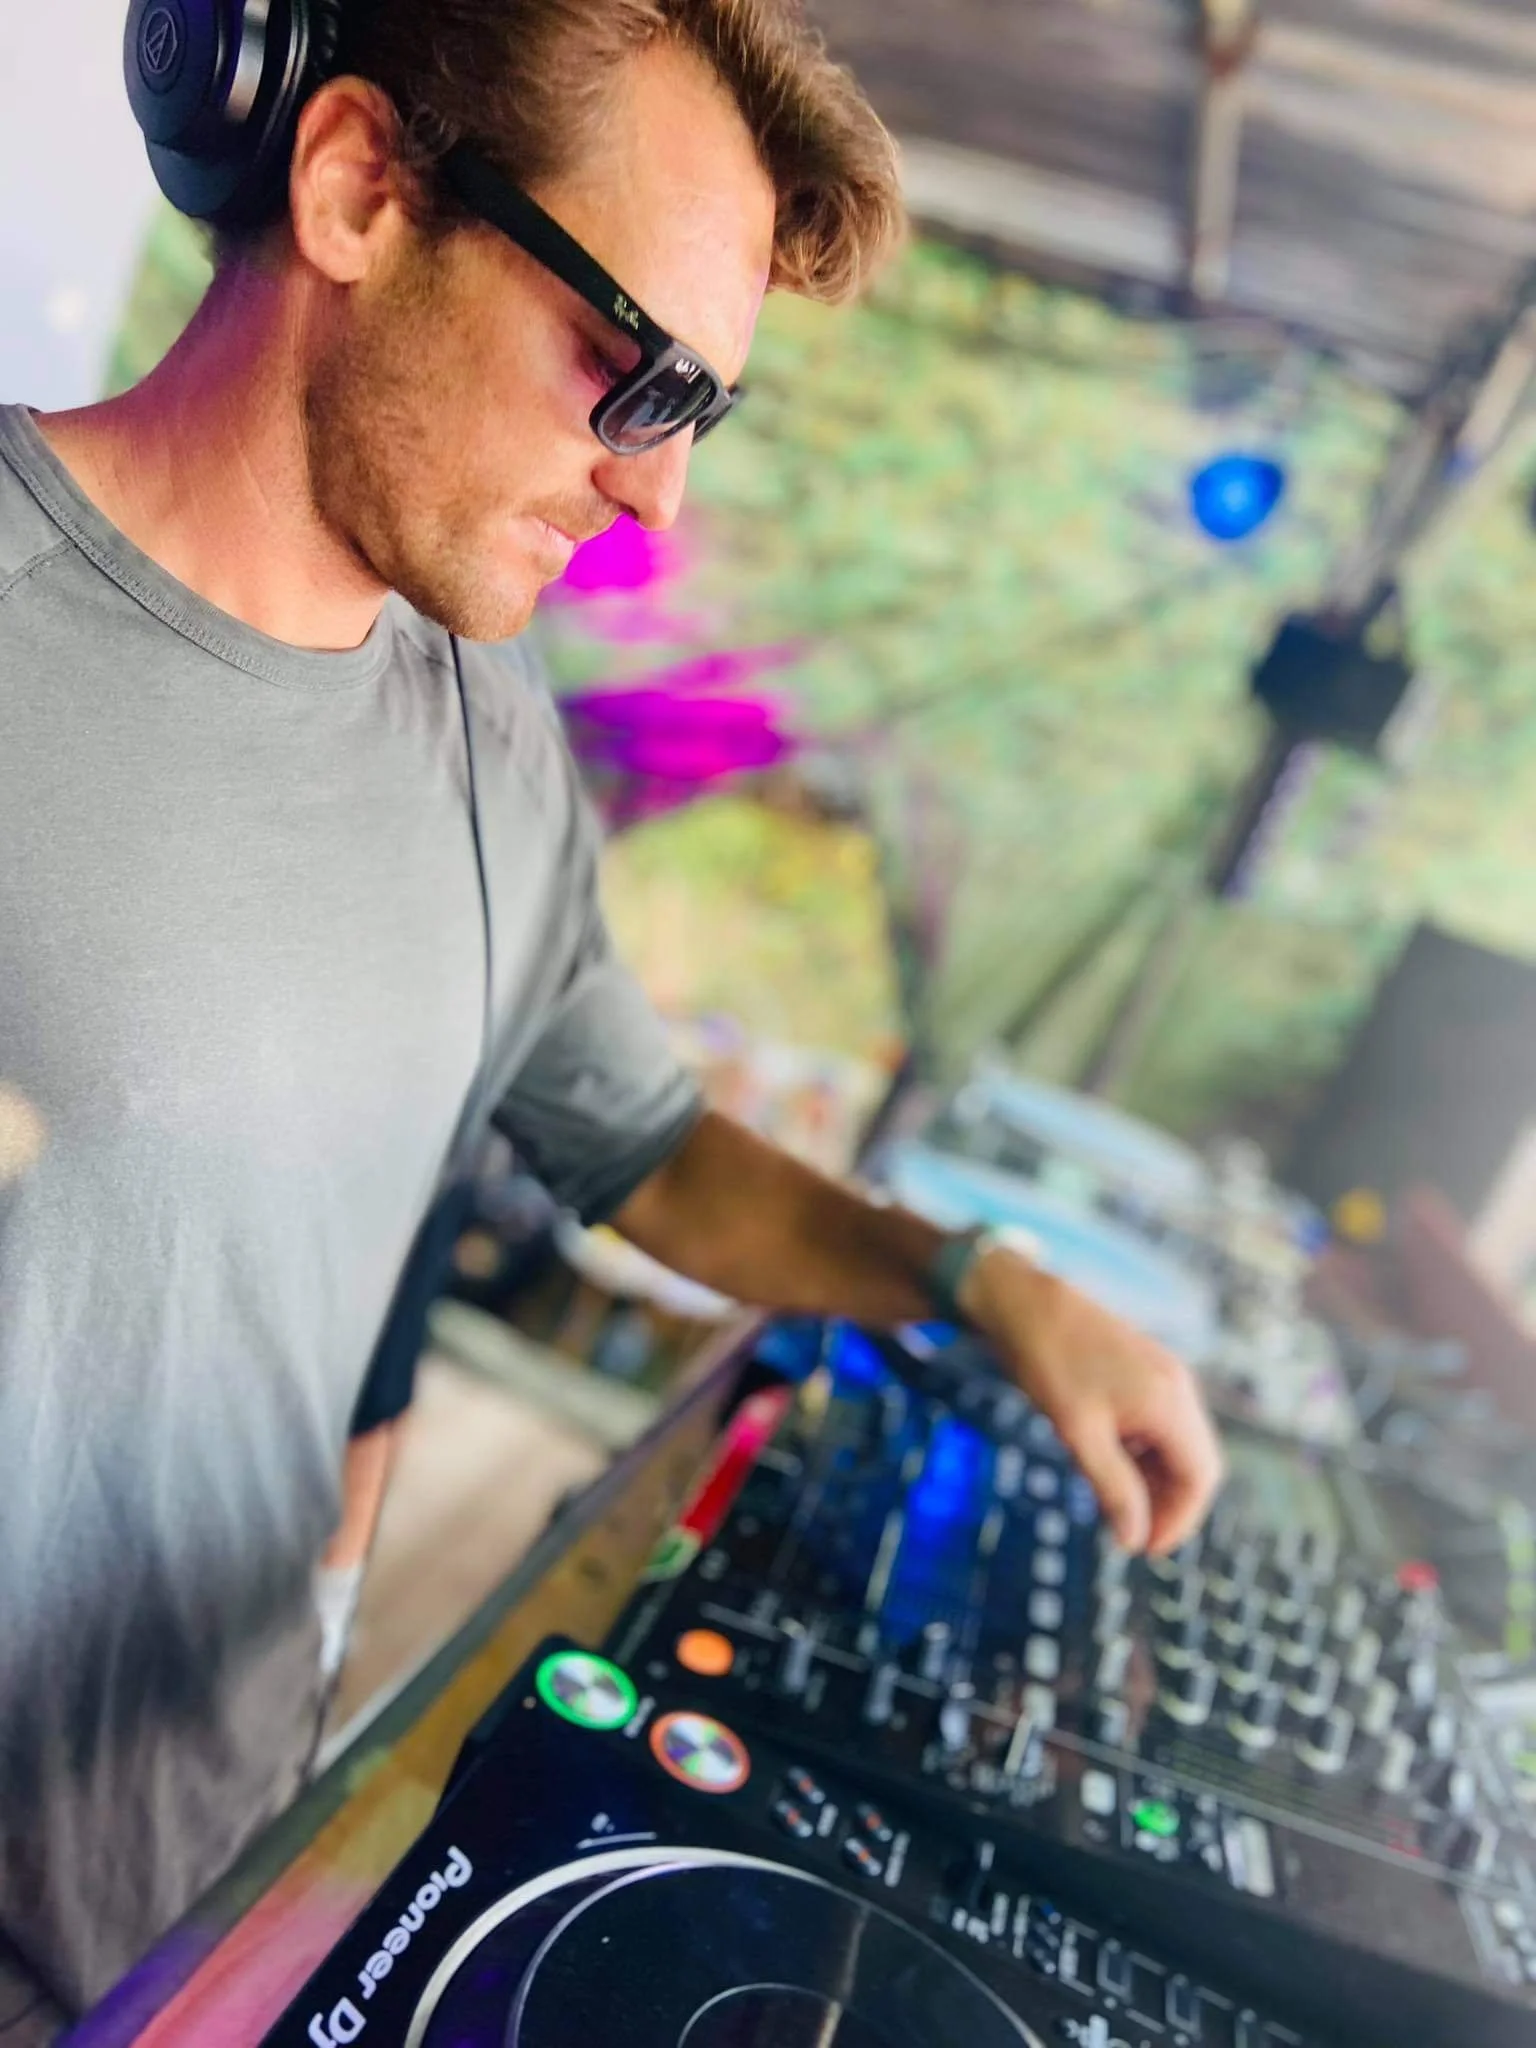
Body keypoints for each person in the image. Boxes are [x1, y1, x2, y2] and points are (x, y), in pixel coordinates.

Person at [0, 0, 1222, 2033]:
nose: (655, 498)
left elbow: (642, 1146)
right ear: (359, 187)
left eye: (700, 412)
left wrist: (973, 1279)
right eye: (633, 371)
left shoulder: (482, 731)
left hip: (208, 1900)